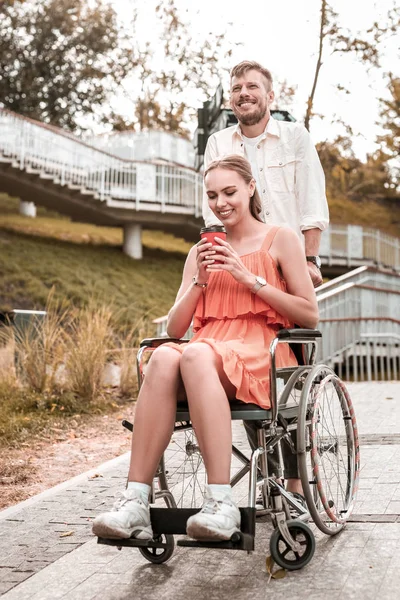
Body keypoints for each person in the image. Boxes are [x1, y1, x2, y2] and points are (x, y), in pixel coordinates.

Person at [92, 155, 318, 542]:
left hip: (261, 349)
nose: (220, 202)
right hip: (207, 348)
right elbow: (175, 328)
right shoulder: (200, 251)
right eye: (212, 195)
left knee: (194, 354)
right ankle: (136, 501)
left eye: (229, 192)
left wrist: (248, 278)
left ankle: (220, 502)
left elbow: (309, 315)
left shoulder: (280, 238)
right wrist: (199, 280)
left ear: (250, 188)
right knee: (164, 354)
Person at [203, 60, 329, 496]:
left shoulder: (294, 138)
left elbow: (311, 203)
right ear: (230, 98)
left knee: (289, 385)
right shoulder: (219, 142)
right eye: (236, 87)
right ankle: (269, 473)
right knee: (248, 370)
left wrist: (309, 261)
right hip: (243, 260)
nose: (243, 93)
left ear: (269, 96)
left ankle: (294, 482)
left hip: (289, 262)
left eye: (252, 86)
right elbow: (213, 208)